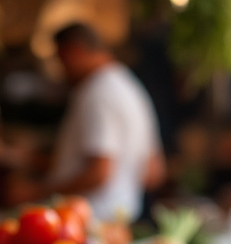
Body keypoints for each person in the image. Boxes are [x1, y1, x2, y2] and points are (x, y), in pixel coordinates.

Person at [32, 22, 164, 222]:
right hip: (119, 221)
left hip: (86, 221)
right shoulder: (131, 87)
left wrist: (39, 192)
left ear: (75, 51)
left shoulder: (98, 91)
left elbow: (99, 172)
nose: (61, 70)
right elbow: (154, 171)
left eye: (61, 60)